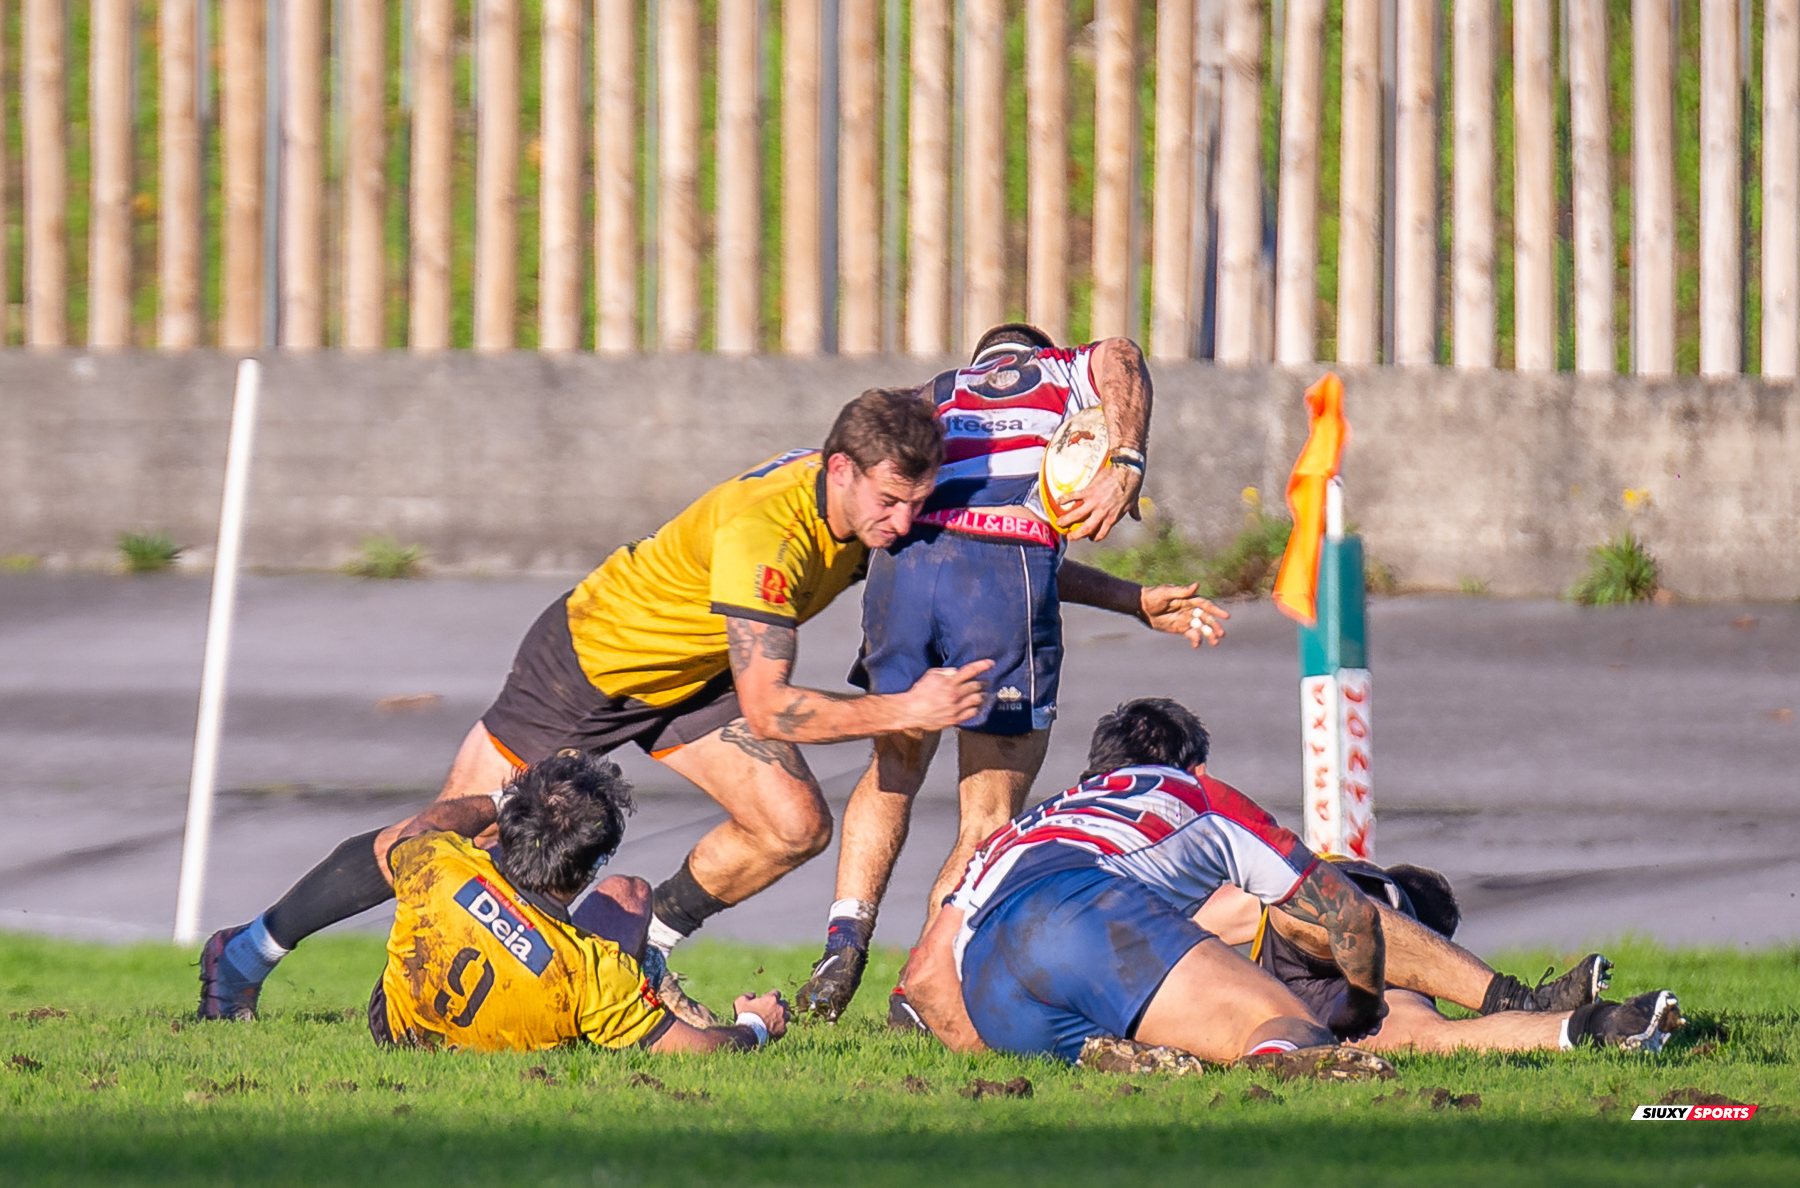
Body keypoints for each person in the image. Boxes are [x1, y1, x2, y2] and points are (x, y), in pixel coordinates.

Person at [201, 387, 988, 1026]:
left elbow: (971, 419)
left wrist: (1114, 508)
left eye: (915, 502)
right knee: (443, 839)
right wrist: (904, 708)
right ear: (840, 468)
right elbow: (774, 708)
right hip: (586, 666)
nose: (904, 523)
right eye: (890, 502)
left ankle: (640, 952)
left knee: (792, 826)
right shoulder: (768, 536)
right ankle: (243, 954)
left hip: (691, 676)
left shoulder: (867, 487)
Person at [800, 325, 1230, 1020]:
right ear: (1036, 353)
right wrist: (1126, 461)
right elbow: (1121, 355)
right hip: (998, 586)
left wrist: (1133, 602)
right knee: (988, 812)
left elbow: (992, 530)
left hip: (904, 572)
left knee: (894, 766)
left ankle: (845, 936)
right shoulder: (1059, 377)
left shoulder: (932, 396)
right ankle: (920, 987)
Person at [896, 699, 1661, 1064]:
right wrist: (1358, 1001)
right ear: (1192, 764)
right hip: (1115, 929)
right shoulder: (1197, 795)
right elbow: (1343, 917)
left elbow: (926, 978)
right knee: (1314, 1011)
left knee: (1269, 959)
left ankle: (1584, 1030)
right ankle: (1533, 1011)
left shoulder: (1034, 824)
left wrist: (981, 1046)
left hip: (997, 976)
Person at [371, 753, 788, 1053]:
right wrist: (756, 1026)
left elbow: (427, 824)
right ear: (589, 871)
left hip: (396, 1032)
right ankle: (641, 987)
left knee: (628, 893)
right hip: (501, 1047)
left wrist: (504, 801)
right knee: (630, 896)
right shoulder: (589, 973)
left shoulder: (439, 865)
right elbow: (695, 1049)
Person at [1193, 864, 1684, 1054]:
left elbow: (1191, 927)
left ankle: (1552, 1009)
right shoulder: (1399, 946)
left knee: (1427, 1036)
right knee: (1434, 1036)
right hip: (1354, 974)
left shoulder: (1324, 882)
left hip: (1309, 956)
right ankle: (1602, 1024)